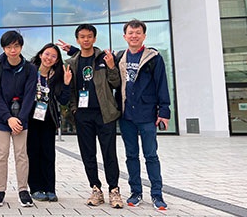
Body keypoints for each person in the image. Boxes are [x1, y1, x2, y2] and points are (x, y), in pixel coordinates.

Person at [62, 24, 124, 208]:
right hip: (83, 115)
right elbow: (71, 89)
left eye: (89, 36)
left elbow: (115, 83)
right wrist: (74, 109)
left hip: (104, 114)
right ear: (78, 40)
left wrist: (112, 67)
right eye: (82, 37)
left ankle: (114, 190)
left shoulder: (104, 59)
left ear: (94, 38)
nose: (86, 39)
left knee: (109, 153)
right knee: (88, 154)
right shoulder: (72, 62)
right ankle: (96, 189)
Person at [116, 19, 170, 210]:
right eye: (130, 33)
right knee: (131, 155)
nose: (134, 36)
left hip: (147, 114)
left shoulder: (154, 57)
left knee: (151, 155)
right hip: (126, 116)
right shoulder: (120, 57)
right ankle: (135, 192)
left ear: (144, 36)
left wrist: (164, 111)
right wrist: (73, 50)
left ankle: (157, 194)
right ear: (125, 36)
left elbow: (162, 84)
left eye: (138, 33)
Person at [0, 30, 37, 207]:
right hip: (2, 119)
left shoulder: (30, 68)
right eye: (9, 47)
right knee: (1, 155)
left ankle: (23, 190)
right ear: (4, 48)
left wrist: (20, 119)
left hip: (21, 120)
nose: (12, 50)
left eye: (16, 46)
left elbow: (30, 95)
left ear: (21, 46)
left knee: (21, 155)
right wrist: (8, 118)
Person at [27, 43, 72, 202]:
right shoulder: (30, 71)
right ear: (40, 54)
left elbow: (63, 100)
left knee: (48, 154)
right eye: (47, 54)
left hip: (48, 119)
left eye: (53, 56)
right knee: (33, 153)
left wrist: (66, 84)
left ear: (57, 60)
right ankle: (36, 188)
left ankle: (50, 188)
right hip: (31, 119)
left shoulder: (57, 76)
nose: (49, 58)